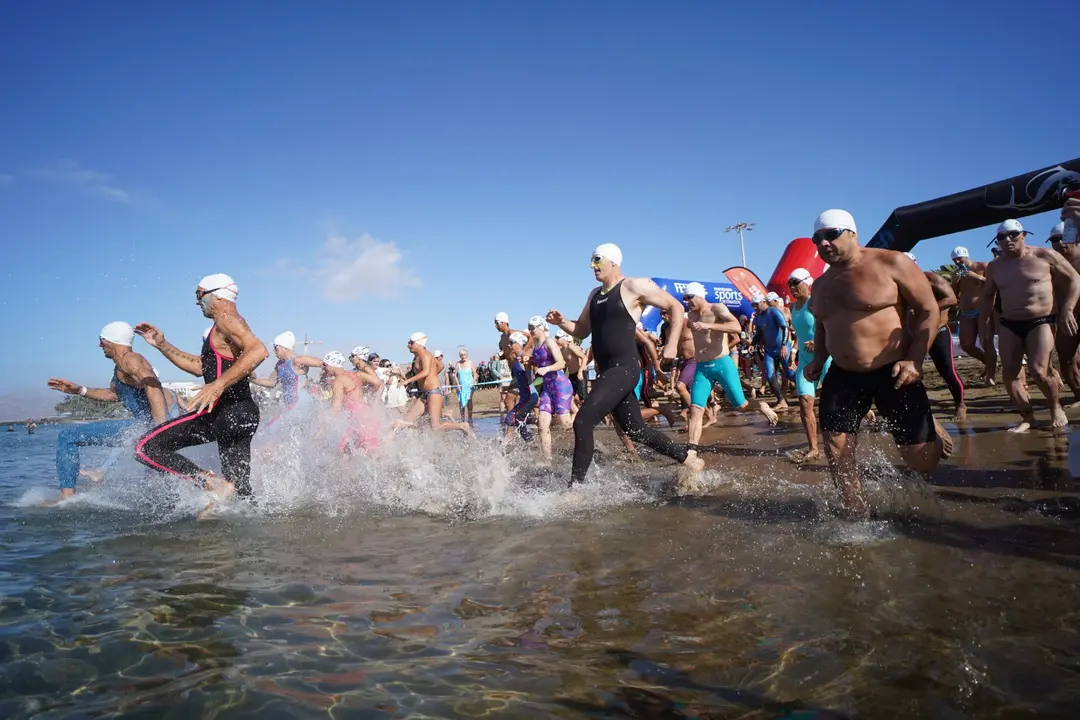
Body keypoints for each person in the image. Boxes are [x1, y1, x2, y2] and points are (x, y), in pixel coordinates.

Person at [805, 210, 952, 517]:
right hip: (843, 375)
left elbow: (927, 310)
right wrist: (819, 358)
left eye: (831, 235)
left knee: (921, 461)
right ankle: (855, 510)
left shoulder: (892, 262)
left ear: (852, 233)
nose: (823, 243)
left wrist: (914, 359)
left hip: (895, 369)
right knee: (835, 447)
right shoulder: (819, 286)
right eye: (817, 239)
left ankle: (932, 432)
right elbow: (822, 326)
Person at [547, 243, 704, 491]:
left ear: (613, 261)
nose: (592, 265)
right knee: (635, 429)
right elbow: (581, 330)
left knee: (583, 421)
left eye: (597, 260)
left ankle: (574, 490)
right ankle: (689, 459)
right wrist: (562, 321)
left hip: (624, 368)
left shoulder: (632, 286)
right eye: (591, 260)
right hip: (607, 370)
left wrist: (671, 345)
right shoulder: (594, 295)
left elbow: (675, 306)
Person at [134, 274, 269, 507]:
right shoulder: (221, 329)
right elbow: (199, 367)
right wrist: (162, 345)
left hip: (222, 413)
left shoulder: (226, 317)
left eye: (199, 295)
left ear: (217, 294)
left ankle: (207, 482)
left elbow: (258, 350)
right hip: (243, 414)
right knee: (239, 493)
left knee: (145, 448)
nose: (198, 302)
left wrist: (217, 385)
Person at [47, 322, 181, 499]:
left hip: (147, 425)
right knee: (156, 484)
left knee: (67, 437)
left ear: (110, 341)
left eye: (102, 341)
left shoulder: (130, 359)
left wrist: (160, 428)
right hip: (144, 426)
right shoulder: (121, 366)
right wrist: (79, 390)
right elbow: (113, 394)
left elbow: (153, 385)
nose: (100, 346)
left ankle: (67, 498)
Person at [979, 219, 1080, 432]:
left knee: (1038, 370)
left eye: (1013, 234)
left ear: (1024, 235)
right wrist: (984, 324)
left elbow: (1074, 279)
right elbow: (988, 296)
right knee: (1010, 373)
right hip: (1009, 323)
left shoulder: (1045, 256)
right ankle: (1027, 418)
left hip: (1041, 321)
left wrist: (1068, 309)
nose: (1007, 240)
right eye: (1001, 237)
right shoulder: (995, 267)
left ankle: (1055, 408)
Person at [681, 282, 777, 454]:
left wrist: (708, 326)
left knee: (741, 405)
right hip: (702, 367)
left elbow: (736, 327)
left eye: (689, 297)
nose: (686, 301)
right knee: (695, 409)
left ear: (698, 295)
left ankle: (761, 405)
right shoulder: (691, 316)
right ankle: (692, 450)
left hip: (722, 364)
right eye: (684, 298)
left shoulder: (717, 308)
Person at [905, 253, 967, 420]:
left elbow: (951, 299)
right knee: (910, 370)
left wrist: (926, 309)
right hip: (913, 334)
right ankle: (916, 409)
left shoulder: (930, 278)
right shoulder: (898, 283)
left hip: (937, 330)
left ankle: (960, 404)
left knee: (947, 370)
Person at [786, 269, 831, 462]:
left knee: (838, 401)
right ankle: (814, 448)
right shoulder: (794, 307)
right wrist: (794, 352)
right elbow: (800, 334)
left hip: (825, 357)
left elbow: (832, 328)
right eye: (790, 284)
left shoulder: (816, 302)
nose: (792, 288)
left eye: (796, 283)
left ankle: (866, 413)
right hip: (804, 360)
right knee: (805, 403)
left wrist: (818, 342)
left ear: (807, 282)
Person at [393, 333, 471, 435]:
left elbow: (425, 372)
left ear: (418, 343)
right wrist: (431, 374)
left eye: (411, 343)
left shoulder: (424, 354)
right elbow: (440, 365)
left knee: (435, 426)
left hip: (434, 392)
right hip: (424, 393)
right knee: (407, 420)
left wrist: (409, 381)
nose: (408, 345)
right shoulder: (418, 357)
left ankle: (462, 426)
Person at [526, 316, 575, 463]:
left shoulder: (549, 342)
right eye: (528, 327)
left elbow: (561, 363)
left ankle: (585, 416)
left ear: (541, 327)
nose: (530, 331)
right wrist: (530, 360)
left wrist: (546, 369)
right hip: (548, 388)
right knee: (542, 424)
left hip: (560, 385)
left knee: (566, 424)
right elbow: (541, 360)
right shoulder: (535, 345)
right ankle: (547, 459)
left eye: (532, 327)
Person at [950, 246, 997, 385]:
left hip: (983, 308)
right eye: (955, 260)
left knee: (986, 341)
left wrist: (977, 277)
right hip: (966, 311)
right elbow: (954, 294)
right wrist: (954, 281)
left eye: (960, 258)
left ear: (966, 256)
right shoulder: (957, 273)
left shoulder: (983, 266)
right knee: (966, 344)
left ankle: (991, 374)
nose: (958, 262)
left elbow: (994, 284)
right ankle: (988, 363)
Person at [1047, 222, 1080, 406]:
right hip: (1067, 318)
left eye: (1062, 238)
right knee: (1067, 361)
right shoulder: (1052, 265)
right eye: (1054, 240)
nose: (1059, 243)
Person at [249, 331, 308, 426]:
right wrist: (253, 380)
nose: (274, 351)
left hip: (299, 403)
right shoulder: (280, 364)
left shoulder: (297, 361)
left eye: (276, 348)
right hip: (290, 405)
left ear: (284, 347)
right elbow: (271, 382)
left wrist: (327, 366)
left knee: (270, 429)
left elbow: (316, 363)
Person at [756, 292, 790, 409]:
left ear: (763, 302)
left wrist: (784, 345)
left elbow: (785, 328)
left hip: (782, 348)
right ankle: (781, 401)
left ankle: (811, 387)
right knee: (770, 375)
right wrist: (752, 344)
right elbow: (758, 334)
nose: (754, 307)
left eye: (756, 304)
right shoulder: (758, 317)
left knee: (790, 374)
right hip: (770, 351)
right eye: (752, 305)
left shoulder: (774, 312)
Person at [502, 332, 539, 442]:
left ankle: (531, 438)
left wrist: (531, 360)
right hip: (524, 397)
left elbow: (538, 363)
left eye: (511, 343)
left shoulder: (525, 357)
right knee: (509, 420)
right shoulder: (516, 358)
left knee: (515, 418)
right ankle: (530, 438)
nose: (509, 345)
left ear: (519, 344)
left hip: (530, 397)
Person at [454, 348, 476, 424]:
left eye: (464, 355)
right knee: (461, 402)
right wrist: (457, 384)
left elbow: (476, 374)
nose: (463, 356)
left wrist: (473, 382)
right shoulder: (458, 364)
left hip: (469, 386)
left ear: (467, 355)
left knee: (469, 401)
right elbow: (455, 375)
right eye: (461, 355)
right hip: (461, 386)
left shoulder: (470, 363)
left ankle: (470, 417)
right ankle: (462, 418)